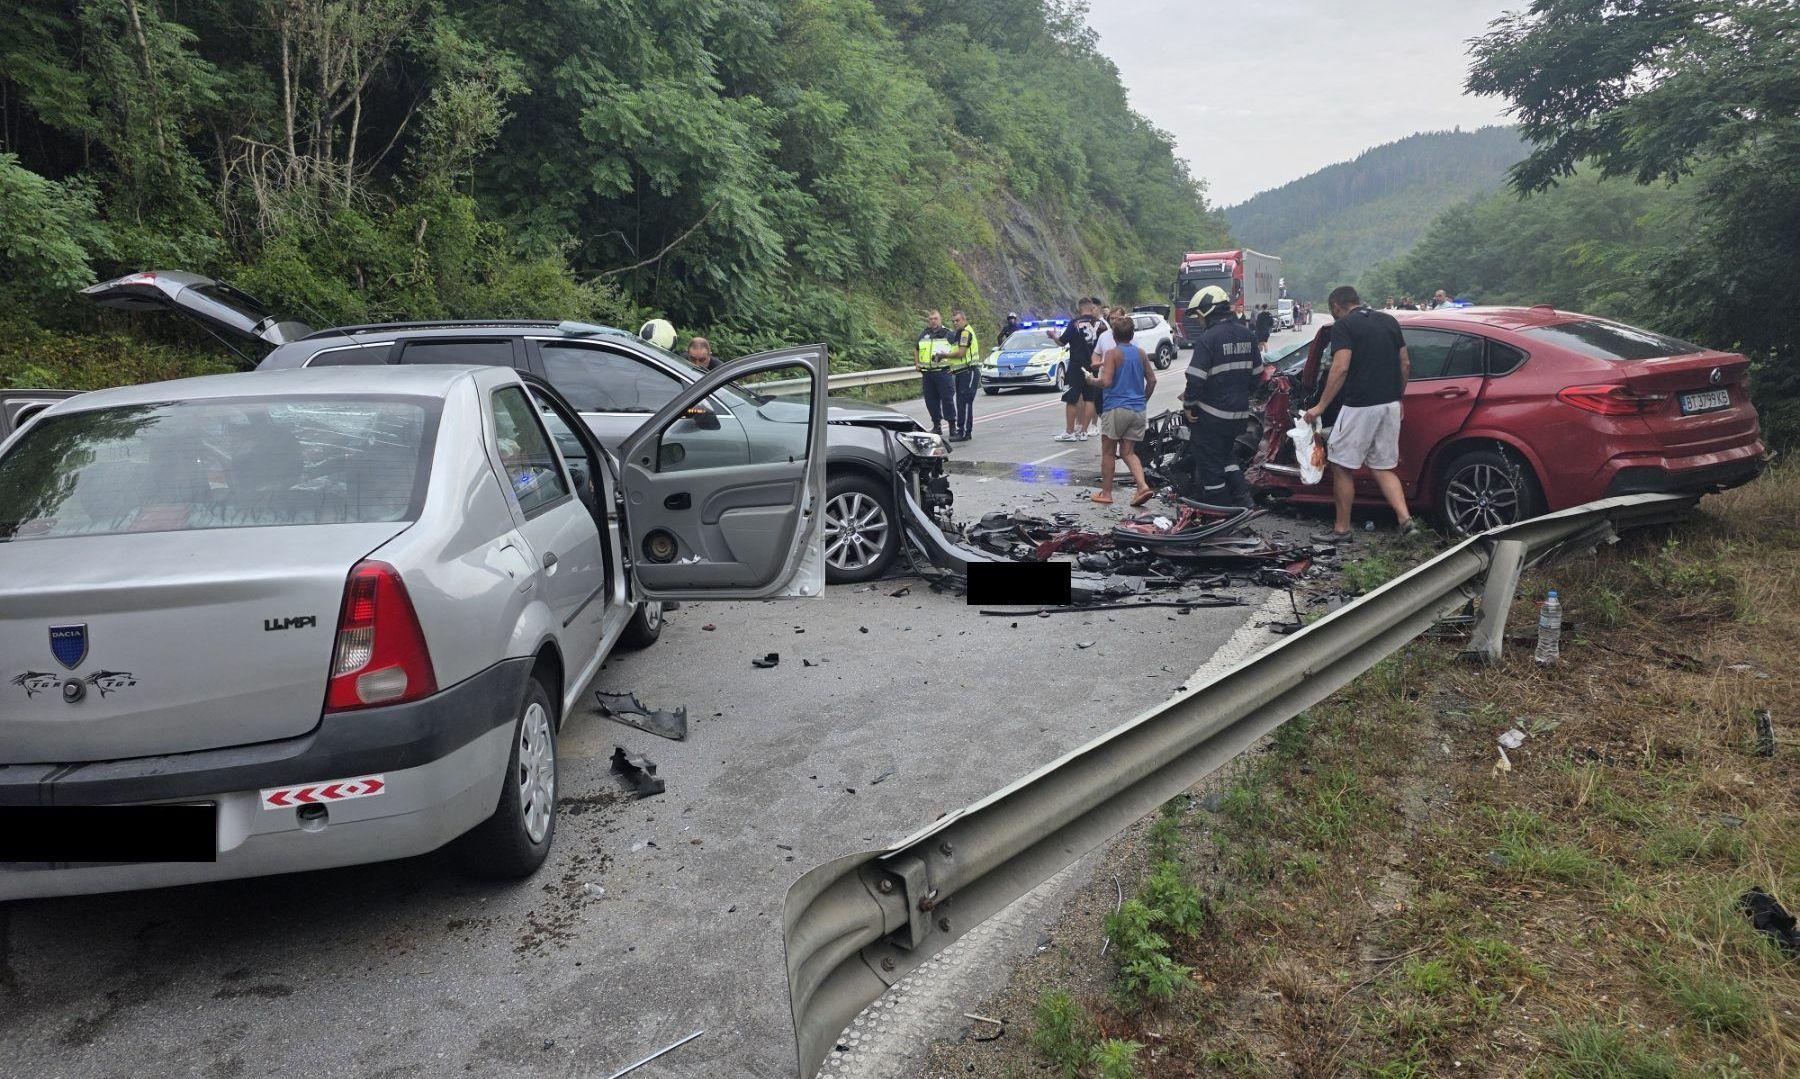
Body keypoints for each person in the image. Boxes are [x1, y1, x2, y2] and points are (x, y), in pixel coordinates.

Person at [1303, 285, 1421, 543]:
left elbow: (1341, 367)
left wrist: (1320, 407)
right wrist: (1397, 396)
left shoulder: (1344, 326)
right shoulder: (1389, 321)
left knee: (1341, 466)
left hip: (1360, 406)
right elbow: (1405, 363)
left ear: (1336, 306)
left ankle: (1341, 530)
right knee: (1383, 466)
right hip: (1390, 405)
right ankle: (1406, 521)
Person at [1183, 285, 1258, 508]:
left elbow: (1195, 378)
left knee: (1209, 465)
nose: (1198, 320)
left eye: (1198, 315)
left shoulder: (1209, 338)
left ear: (1208, 311)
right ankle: (1245, 501)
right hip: (1238, 415)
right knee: (1227, 458)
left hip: (1211, 416)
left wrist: (1189, 404)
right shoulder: (1248, 335)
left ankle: (1220, 512)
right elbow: (1257, 375)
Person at [1090, 315, 1157, 506]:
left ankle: (1107, 493)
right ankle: (1142, 486)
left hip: (1116, 408)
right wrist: (1142, 400)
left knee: (1108, 452)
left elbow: (1106, 381)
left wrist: (1090, 380)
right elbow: (1152, 380)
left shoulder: (1112, 354)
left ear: (1114, 334)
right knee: (1128, 452)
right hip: (1137, 410)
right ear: (1132, 334)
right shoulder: (1141, 353)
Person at [1050, 297, 1104, 442]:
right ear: (1091, 308)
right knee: (1089, 398)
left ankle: (1070, 432)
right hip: (1093, 366)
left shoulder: (1075, 323)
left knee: (1071, 398)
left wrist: (1053, 336)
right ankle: (1084, 432)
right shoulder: (1101, 325)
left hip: (1076, 365)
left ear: (1080, 308)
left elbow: (1062, 341)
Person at [915, 309, 955, 437]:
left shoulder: (948, 334)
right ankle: (937, 426)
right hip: (927, 374)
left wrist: (954, 366)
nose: (933, 321)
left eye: (935, 318)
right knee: (931, 401)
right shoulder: (924, 334)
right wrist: (917, 363)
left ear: (940, 319)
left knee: (947, 400)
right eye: (931, 319)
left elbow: (958, 350)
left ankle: (952, 427)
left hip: (943, 373)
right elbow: (916, 348)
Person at [945, 309, 980, 442]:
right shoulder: (960, 333)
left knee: (964, 402)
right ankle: (963, 431)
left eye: (957, 320)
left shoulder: (965, 333)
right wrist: (954, 369)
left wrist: (944, 355)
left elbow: (961, 353)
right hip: (962, 372)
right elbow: (961, 359)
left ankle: (964, 432)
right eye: (953, 321)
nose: (955, 323)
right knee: (961, 402)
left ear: (964, 320)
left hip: (969, 372)